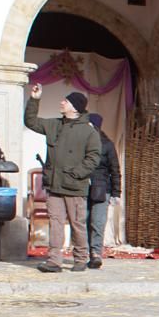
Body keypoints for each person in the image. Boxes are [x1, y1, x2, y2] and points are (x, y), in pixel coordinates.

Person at [25, 85, 102, 273]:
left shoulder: (89, 132)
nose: (61, 102)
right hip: (54, 185)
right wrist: (35, 99)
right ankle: (54, 261)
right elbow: (31, 121)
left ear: (75, 107)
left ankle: (81, 259)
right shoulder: (54, 125)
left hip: (75, 186)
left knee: (77, 225)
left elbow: (93, 157)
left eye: (65, 101)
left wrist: (76, 173)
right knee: (56, 223)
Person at [85, 113, 121, 269]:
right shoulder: (81, 144)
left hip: (102, 188)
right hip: (83, 187)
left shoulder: (107, 145)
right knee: (83, 221)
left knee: (97, 222)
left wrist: (116, 193)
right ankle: (86, 252)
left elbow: (115, 169)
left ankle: (96, 254)